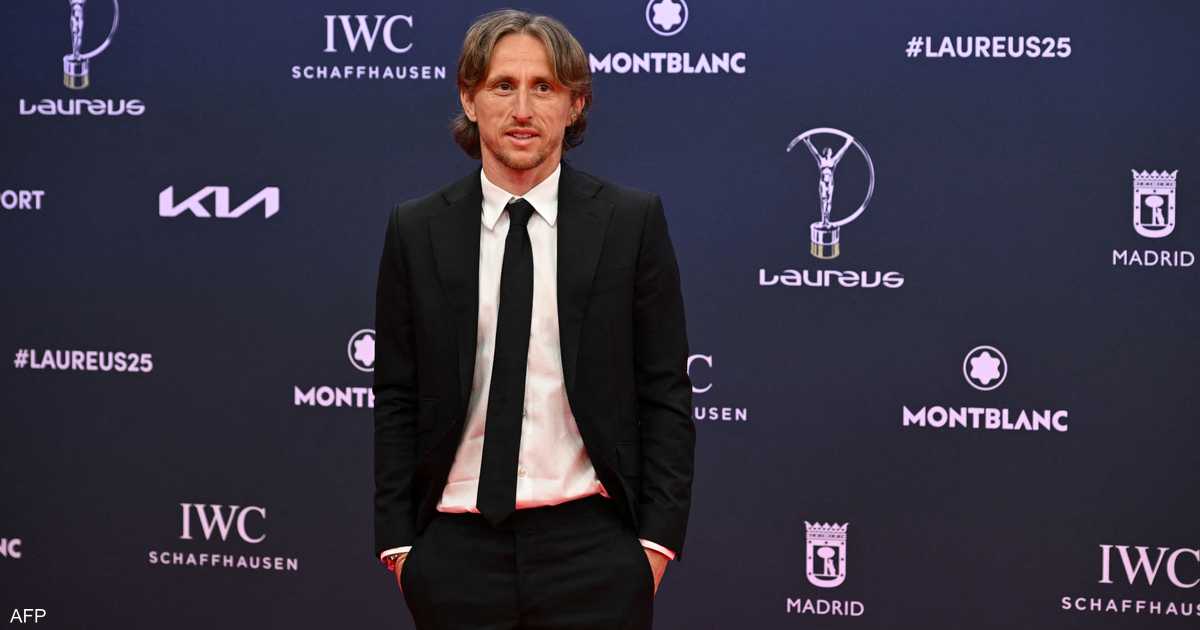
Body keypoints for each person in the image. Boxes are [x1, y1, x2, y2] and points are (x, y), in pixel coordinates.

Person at [372, 9, 695, 629]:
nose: (522, 108)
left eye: (543, 87)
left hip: (594, 553)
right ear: (469, 99)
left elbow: (665, 393)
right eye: (503, 85)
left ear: (575, 105)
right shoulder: (416, 229)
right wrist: (400, 549)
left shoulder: (630, 224)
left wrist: (653, 547)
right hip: (453, 554)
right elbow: (396, 396)